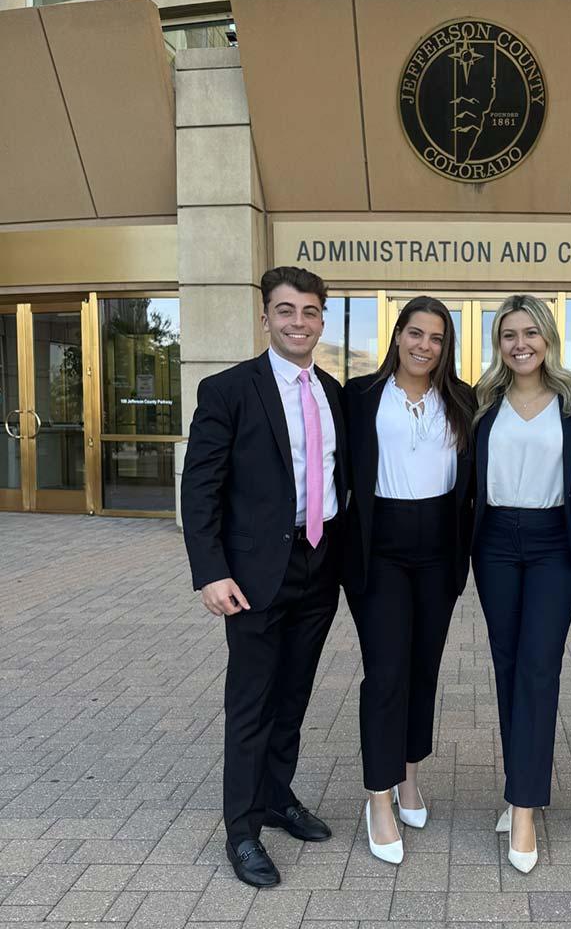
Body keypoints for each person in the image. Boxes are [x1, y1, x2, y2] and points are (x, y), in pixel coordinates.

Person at [181, 266, 347, 888]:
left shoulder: (332, 392)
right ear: (265, 317)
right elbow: (200, 487)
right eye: (285, 311)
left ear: (320, 319)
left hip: (318, 565)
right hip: (252, 576)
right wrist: (210, 572)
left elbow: (338, 481)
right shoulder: (228, 390)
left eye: (308, 311)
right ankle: (243, 828)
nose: (297, 322)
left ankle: (278, 797)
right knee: (251, 703)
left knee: (294, 696)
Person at [343, 296, 475, 865]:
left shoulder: (464, 399)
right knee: (387, 672)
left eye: (437, 338)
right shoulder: (360, 396)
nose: (425, 346)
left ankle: (409, 777)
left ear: (446, 347)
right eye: (415, 333)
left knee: (424, 668)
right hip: (382, 550)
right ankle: (377, 796)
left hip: (440, 548)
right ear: (396, 336)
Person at [471, 294, 571, 874]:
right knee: (509, 665)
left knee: (540, 667)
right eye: (509, 334)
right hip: (494, 542)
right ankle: (520, 784)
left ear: (547, 340)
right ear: (499, 344)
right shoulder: (481, 403)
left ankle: (523, 807)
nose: (520, 344)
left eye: (531, 333)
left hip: (552, 546)